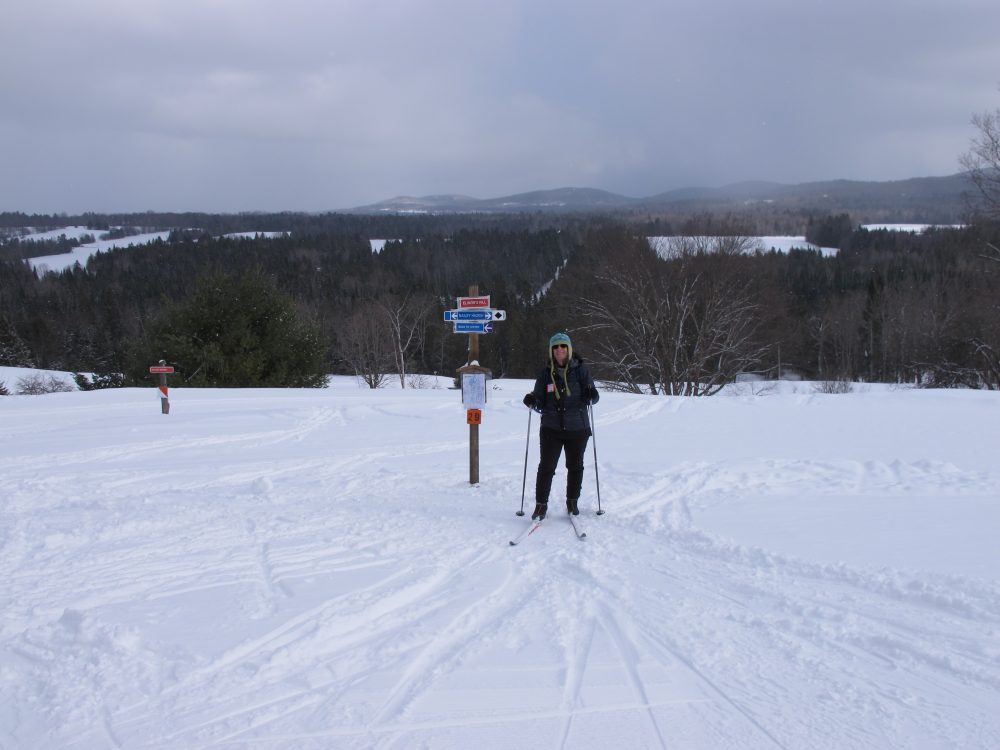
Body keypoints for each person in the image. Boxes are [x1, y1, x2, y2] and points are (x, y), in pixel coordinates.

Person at [522, 332, 599, 520]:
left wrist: (592, 394)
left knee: (575, 466)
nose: (559, 350)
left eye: (563, 346)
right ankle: (541, 505)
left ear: (569, 349)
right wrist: (532, 399)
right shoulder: (545, 373)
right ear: (551, 351)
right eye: (555, 347)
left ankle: (572, 502)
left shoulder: (581, 371)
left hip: (577, 428)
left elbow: (594, 397)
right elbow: (539, 398)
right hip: (551, 429)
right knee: (546, 467)